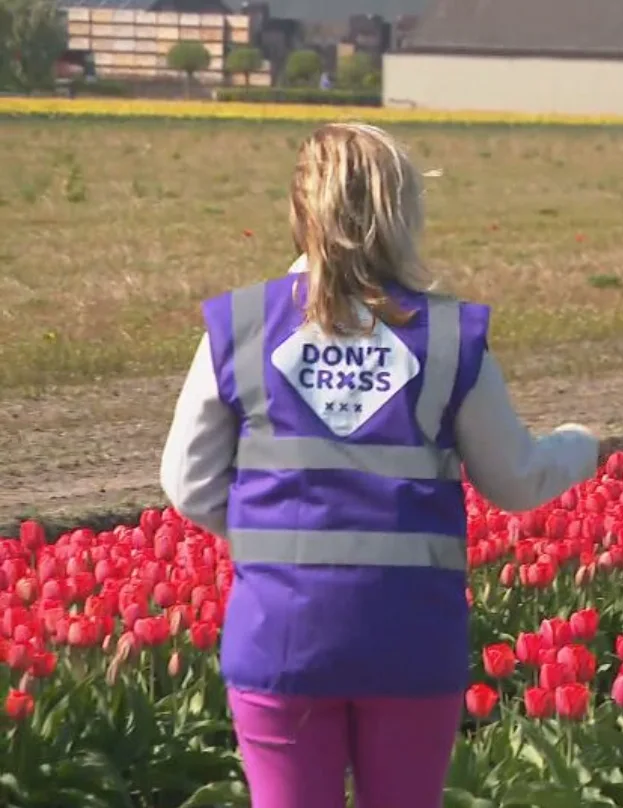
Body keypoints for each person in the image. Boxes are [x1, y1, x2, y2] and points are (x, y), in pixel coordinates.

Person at [159, 122, 599, 808]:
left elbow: (187, 483)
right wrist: (580, 446)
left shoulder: (241, 325)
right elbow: (513, 479)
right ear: (403, 214)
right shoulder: (448, 336)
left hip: (280, 637)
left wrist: (276, 536)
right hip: (409, 639)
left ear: (299, 210)